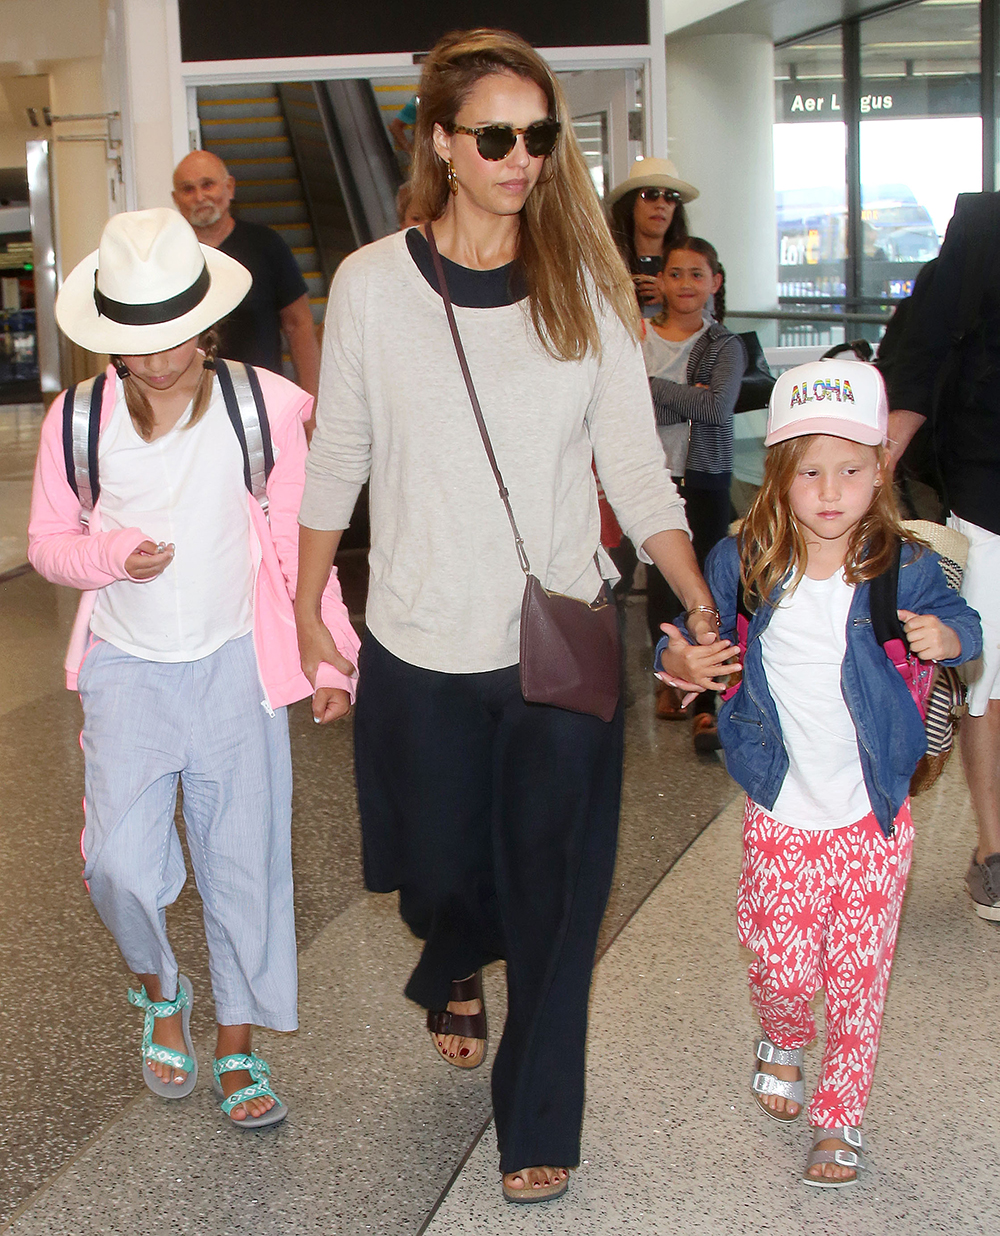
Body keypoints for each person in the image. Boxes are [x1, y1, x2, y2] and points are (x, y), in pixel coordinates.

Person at [295, 28, 736, 1205]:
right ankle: (450, 954)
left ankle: (539, 1115)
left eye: (539, 136)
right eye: (495, 135)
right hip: (419, 639)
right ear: (442, 143)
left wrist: (696, 604)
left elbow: (637, 476)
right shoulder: (374, 285)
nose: (521, 157)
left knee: (553, 889)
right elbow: (339, 453)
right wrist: (304, 603)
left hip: (560, 640)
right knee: (434, 871)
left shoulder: (586, 288)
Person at [27, 208, 359, 1128]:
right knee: (119, 868)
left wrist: (331, 658)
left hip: (233, 670)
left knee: (242, 865)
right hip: (126, 672)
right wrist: (112, 554)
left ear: (206, 322)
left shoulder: (262, 408)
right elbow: (48, 544)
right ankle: (158, 991)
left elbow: (303, 547)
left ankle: (237, 1046)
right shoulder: (79, 419)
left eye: (173, 335)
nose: (158, 357)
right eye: (136, 342)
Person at [658, 360, 980, 1187]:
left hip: (873, 815)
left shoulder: (902, 567)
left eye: (852, 469)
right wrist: (685, 660)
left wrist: (951, 638)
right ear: (780, 475)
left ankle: (840, 1121)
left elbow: (962, 618)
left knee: (858, 974)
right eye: (810, 470)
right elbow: (684, 634)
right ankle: (779, 1032)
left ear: (880, 474)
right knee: (779, 962)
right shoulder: (748, 562)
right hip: (779, 807)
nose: (831, 490)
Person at [883, 192, 1000, 918]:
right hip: (990, 496)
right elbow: (920, 354)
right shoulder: (984, 232)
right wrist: (869, 481)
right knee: (987, 680)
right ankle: (995, 850)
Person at [644, 237, 745, 747]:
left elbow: (716, 410)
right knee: (659, 583)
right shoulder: (634, 334)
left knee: (711, 582)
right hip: (646, 478)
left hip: (704, 478)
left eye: (697, 274)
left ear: (715, 283)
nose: (686, 284)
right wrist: (687, 397)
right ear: (660, 281)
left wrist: (650, 388)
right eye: (676, 273)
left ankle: (710, 696)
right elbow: (615, 404)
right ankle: (669, 677)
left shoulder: (724, 345)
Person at [172, 150, 320, 398]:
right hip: (189, 404)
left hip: (262, 399)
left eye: (208, 185)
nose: (199, 197)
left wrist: (313, 403)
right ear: (176, 199)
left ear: (229, 187)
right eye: (188, 189)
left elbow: (299, 324)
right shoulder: (167, 256)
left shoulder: (266, 245)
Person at [607, 157, 698, 317]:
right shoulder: (606, 263)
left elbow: (710, 328)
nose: (661, 204)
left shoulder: (695, 265)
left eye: (671, 197)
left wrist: (674, 298)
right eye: (651, 195)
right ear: (631, 204)